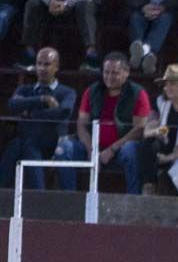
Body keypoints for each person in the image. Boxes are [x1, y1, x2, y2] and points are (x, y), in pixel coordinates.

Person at [54, 51, 150, 193]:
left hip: (120, 150)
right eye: (106, 72)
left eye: (115, 73)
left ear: (126, 73)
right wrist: (91, 150)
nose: (109, 77)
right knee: (64, 148)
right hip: (92, 148)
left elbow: (139, 129)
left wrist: (111, 150)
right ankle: (70, 201)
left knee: (131, 150)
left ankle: (133, 202)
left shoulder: (138, 93)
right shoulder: (92, 91)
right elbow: (81, 124)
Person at [0, 47, 75, 189]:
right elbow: (12, 104)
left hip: (51, 144)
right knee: (16, 145)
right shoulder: (25, 89)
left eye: (47, 64)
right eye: (39, 64)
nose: (41, 68)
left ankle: (38, 196)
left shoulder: (67, 92)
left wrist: (31, 114)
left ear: (56, 67)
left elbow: (62, 112)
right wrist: (42, 99)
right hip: (26, 143)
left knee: (27, 145)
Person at [139, 63, 178, 196]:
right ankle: (149, 186)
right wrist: (157, 131)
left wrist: (169, 158)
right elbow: (147, 132)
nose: (167, 87)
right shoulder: (160, 102)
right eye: (166, 84)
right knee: (147, 144)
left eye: (173, 83)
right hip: (165, 147)